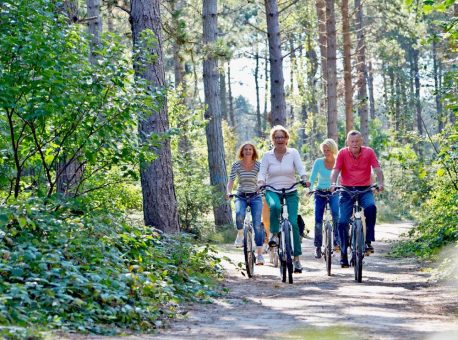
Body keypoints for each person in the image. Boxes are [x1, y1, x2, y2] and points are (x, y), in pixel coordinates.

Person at [257, 125, 309, 273]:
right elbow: (262, 173)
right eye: (276, 137)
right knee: (274, 207)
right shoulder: (267, 155)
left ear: (287, 139)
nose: (279, 140)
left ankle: (297, 260)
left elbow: (300, 168)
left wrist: (304, 178)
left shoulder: (293, 153)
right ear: (273, 140)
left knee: (293, 223)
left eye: (282, 137)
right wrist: (261, 182)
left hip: (291, 191)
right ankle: (273, 234)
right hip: (272, 190)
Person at [330, 130, 384, 268]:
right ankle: (343, 252)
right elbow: (335, 170)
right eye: (352, 141)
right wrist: (333, 184)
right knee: (342, 221)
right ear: (347, 142)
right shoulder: (342, 153)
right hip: (347, 190)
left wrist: (381, 182)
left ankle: (367, 241)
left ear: (361, 141)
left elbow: (377, 168)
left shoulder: (369, 152)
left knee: (371, 207)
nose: (354, 144)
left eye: (357, 141)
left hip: (365, 189)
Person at [226, 142, 265, 265]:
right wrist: (228, 192)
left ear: (253, 152)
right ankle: (240, 233)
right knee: (239, 214)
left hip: (255, 196)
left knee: (258, 224)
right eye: (245, 149)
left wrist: (261, 186)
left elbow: (263, 179)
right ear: (242, 152)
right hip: (241, 195)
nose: (248, 151)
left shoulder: (259, 165)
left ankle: (259, 255)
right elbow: (231, 180)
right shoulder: (236, 165)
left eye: (250, 149)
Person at [309, 138, 340, 259]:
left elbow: (342, 176)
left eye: (329, 150)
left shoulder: (338, 161)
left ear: (333, 150)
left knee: (337, 216)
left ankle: (337, 243)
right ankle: (317, 246)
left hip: (334, 192)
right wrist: (310, 188)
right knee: (317, 220)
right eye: (324, 150)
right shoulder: (318, 162)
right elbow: (312, 178)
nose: (326, 152)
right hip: (320, 192)